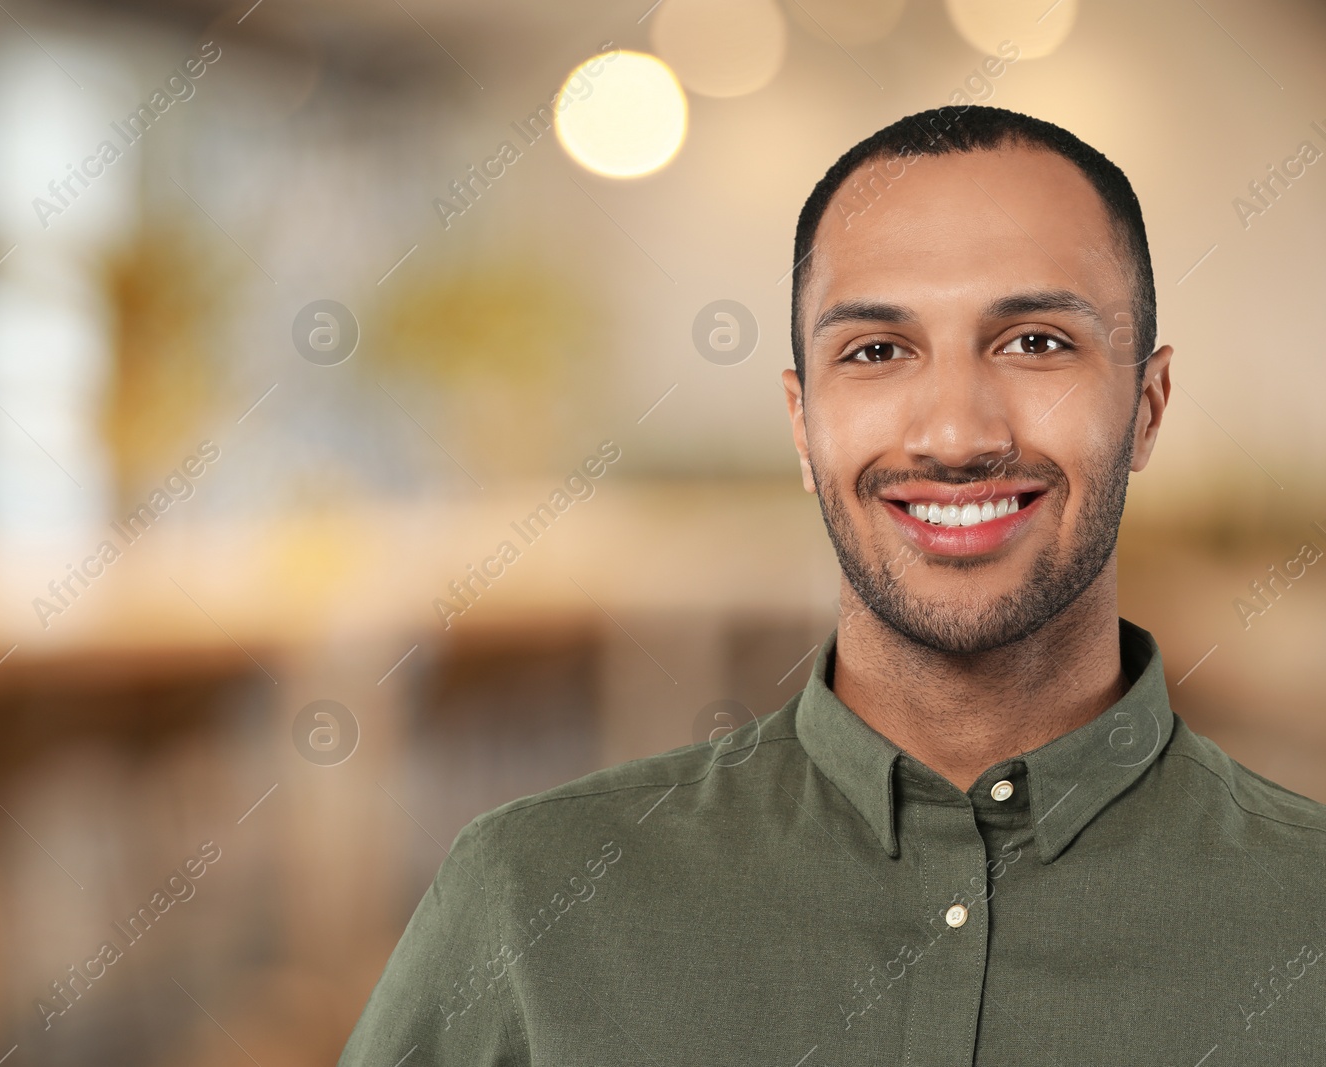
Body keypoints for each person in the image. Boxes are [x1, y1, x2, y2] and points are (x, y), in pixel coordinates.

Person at [338, 106, 1326, 1064]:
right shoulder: (524, 898)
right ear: (802, 421)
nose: (954, 433)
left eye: (1034, 341)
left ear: (1147, 408)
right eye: (877, 351)